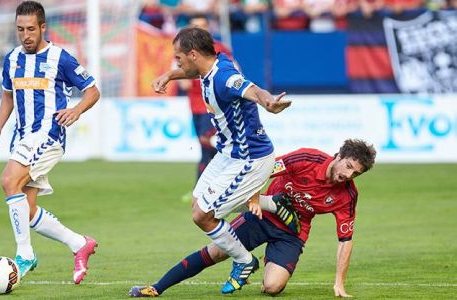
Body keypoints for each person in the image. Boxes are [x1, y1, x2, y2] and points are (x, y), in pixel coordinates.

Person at [129, 139, 377, 297]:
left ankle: (267, 260)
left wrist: (339, 283)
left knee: (272, 288)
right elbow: (264, 170)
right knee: (215, 253)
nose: (349, 174)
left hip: (293, 233)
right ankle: (156, 288)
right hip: (261, 217)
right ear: (338, 156)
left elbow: (346, 240)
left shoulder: (347, 195)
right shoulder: (306, 158)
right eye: (348, 166)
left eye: (356, 173)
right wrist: (255, 199)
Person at [152, 27, 292, 293]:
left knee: (202, 215)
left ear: (193, 54)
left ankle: (244, 260)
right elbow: (192, 72)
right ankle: (274, 204)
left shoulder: (225, 77)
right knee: (198, 203)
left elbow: (252, 90)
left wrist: (269, 102)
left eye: (178, 59)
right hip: (229, 153)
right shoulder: (214, 63)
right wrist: (170, 75)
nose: (177, 63)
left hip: (250, 158)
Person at [0, 1, 100, 284]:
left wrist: (75, 109)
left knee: (8, 181)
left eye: (31, 29)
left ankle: (24, 254)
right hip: (21, 137)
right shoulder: (11, 59)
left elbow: (93, 91)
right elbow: (8, 95)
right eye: (20, 29)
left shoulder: (61, 58)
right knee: (27, 207)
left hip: (48, 135)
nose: (26, 35)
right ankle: (78, 243)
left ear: (43, 27)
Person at [178, 15, 232, 180]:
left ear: (209, 28)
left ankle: (233, 161)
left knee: (205, 140)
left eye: (202, 26)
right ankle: (204, 188)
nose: (199, 29)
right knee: (204, 149)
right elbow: (184, 85)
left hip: (212, 106)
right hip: (195, 106)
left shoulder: (220, 48)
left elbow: (234, 72)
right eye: (195, 26)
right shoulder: (184, 52)